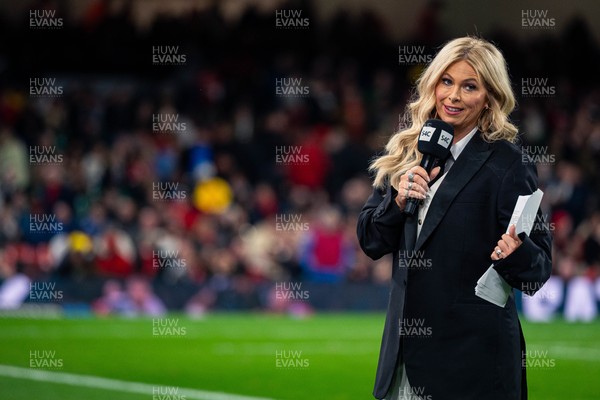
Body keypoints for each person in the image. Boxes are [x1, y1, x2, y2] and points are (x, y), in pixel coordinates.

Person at [357, 36, 552, 400]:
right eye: (446, 81)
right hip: (404, 360)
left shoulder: (508, 164)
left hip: (473, 364)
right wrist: (397, 202)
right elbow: (370, 240)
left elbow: (538, 269)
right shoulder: (408, 151)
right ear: (432, 84)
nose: (454, 96)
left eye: (470, 86)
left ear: (490, 97)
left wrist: (516, 253)